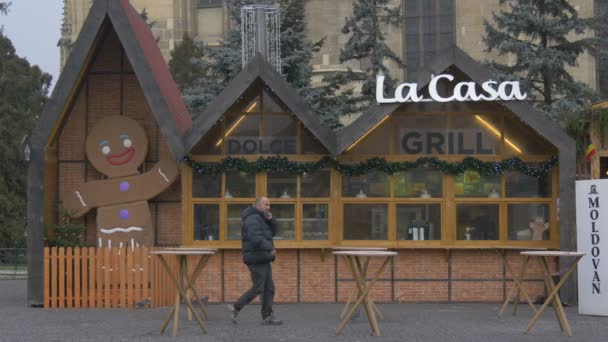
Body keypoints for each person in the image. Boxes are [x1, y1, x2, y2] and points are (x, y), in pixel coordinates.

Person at [228, 197, 282, 325]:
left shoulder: (262, 218)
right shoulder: (252, 219)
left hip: (263, 257)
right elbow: (255, 238)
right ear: (257, 205)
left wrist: (271, 220)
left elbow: (272, 233)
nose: (268, 207)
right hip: (255, 257)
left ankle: (267, 317)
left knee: (269, 288)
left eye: (269, 205)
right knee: (258, 288)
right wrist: (269, 248)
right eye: (265, 204)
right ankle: (236, 307)